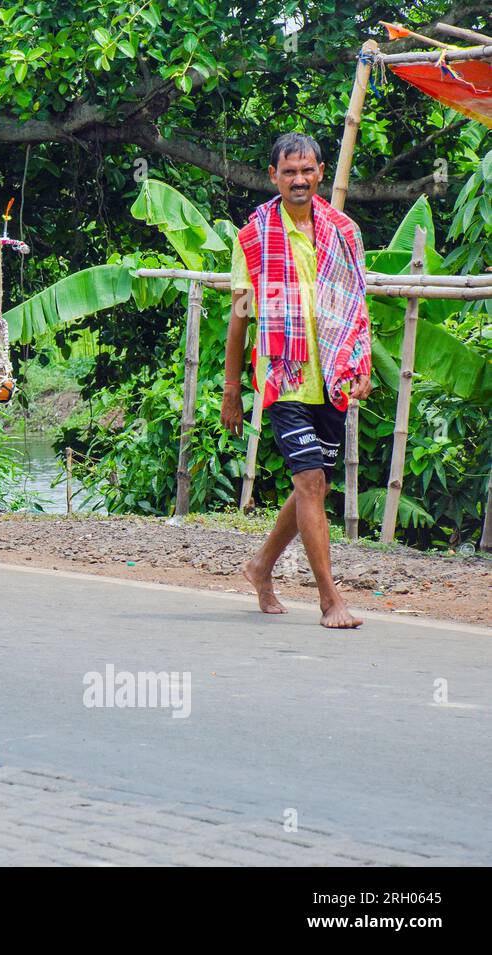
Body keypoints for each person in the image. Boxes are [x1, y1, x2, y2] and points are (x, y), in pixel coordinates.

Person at [221, 133, 373, 629]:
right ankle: (330, 599)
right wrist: (231, 391)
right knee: (309, 481)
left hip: (329, 377)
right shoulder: (255, 237)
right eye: (289, 172)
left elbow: (356, 307)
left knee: (315, 485)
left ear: (321, 172)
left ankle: (260, 567)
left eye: (307, 171)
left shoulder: (343, 232)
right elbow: (241, 318)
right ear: (273, 176)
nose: (299, 180)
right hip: (282, 377)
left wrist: (360, 364)